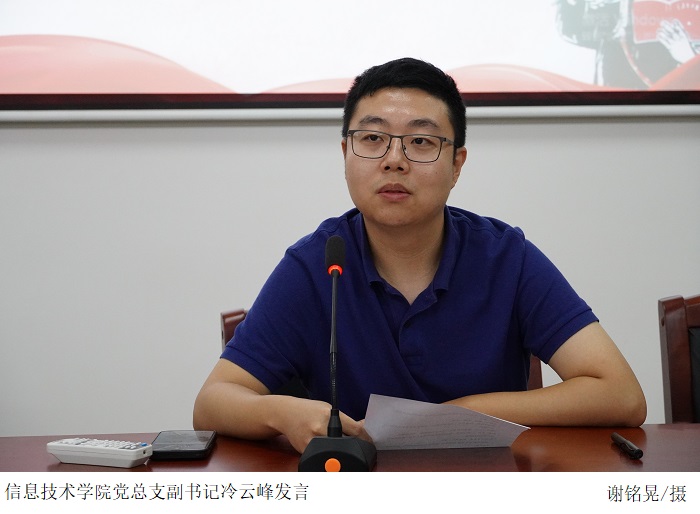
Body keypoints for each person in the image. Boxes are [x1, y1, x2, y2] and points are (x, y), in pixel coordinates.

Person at [193, 58, 647, 454]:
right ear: (346, 153)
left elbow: (620, 395)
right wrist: (281, 413)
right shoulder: (319, 263)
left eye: (421, 142)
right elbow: (213, 402)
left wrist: (464, 413)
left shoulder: (505, 257)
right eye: (372, 138)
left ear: (457, 164)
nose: (394, 160)